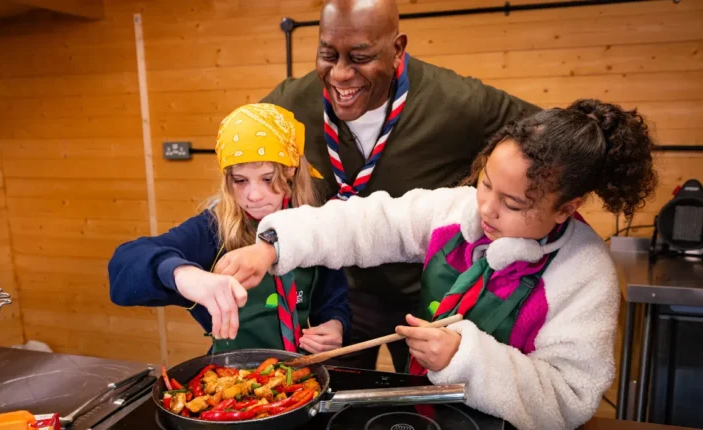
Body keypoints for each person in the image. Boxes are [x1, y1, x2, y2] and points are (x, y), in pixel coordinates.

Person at [214, 99, 658, 429]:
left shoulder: (584, 274)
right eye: (485, 184)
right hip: (429, 413)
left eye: (513, 204)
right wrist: (274, 244)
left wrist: (464, 357)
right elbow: (368, 221)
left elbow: (570, 397)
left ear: (566, 208)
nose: (486, 209)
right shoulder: (457, 209)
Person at [250, 0, 540, 371]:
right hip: (338, 299)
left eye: (359, 56)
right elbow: (240, 167)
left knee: (428, 409)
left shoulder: (456, 102)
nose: (340, 74)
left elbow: (550, 143)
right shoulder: (290, 103)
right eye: (327, 54)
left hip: (433, 299)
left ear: (397, 49)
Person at [108, 103, 350, 354]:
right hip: (233, 378)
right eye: (240, 180)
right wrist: (183, 274)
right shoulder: (213, 231)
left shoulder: (314, 225)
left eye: (267, 179)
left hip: (304, 376)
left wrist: (335, 324)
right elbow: (124, 267)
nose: (254, 195)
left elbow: (333, 298)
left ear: (291, 170)